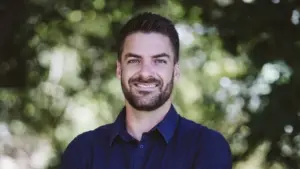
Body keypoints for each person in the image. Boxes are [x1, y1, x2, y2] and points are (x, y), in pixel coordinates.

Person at [60, 12, 232, 169]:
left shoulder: (207, 147)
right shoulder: (83, 151)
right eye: (134, 60)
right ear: (119, 69)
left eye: (159, 61)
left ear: (175, 71)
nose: (145, 73)